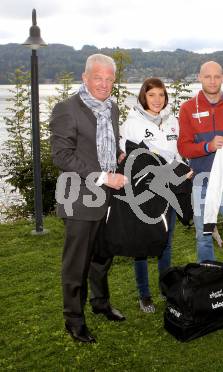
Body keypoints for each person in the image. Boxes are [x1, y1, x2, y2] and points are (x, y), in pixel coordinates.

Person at [50, 54, 127, 343]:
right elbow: (62, 156)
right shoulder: (66, 109)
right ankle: (74, 319)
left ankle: (100, 303)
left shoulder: (112, 108)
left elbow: (105, 144)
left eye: (109, 78)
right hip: (79, 195)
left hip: (108, 196)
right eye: (98, 77)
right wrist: (104, 176)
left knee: (102, 255)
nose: (104, 84)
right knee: (77, 262)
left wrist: (117, 157)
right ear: (85, 77)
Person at [177, 61, 223, 307]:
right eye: (207, 76)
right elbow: (183, 147)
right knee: (203, 237)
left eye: (216, 76)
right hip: (202, 181)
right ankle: (208, 286)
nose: (212, 81)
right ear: (199, 77)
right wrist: (207, 146)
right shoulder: (188, 108)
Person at [119, 77, 185, 313]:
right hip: (144, 192)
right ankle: (144, 294)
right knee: (143, 243)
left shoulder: (173, 122)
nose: (157, 100)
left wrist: (183, 170)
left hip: (170, 190)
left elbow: (179, 154)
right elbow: (128, 157)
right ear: (143, 97)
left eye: (161, 95)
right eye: (151, 95)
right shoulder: (132, 123)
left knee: (166, 243)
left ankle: (166, 290)